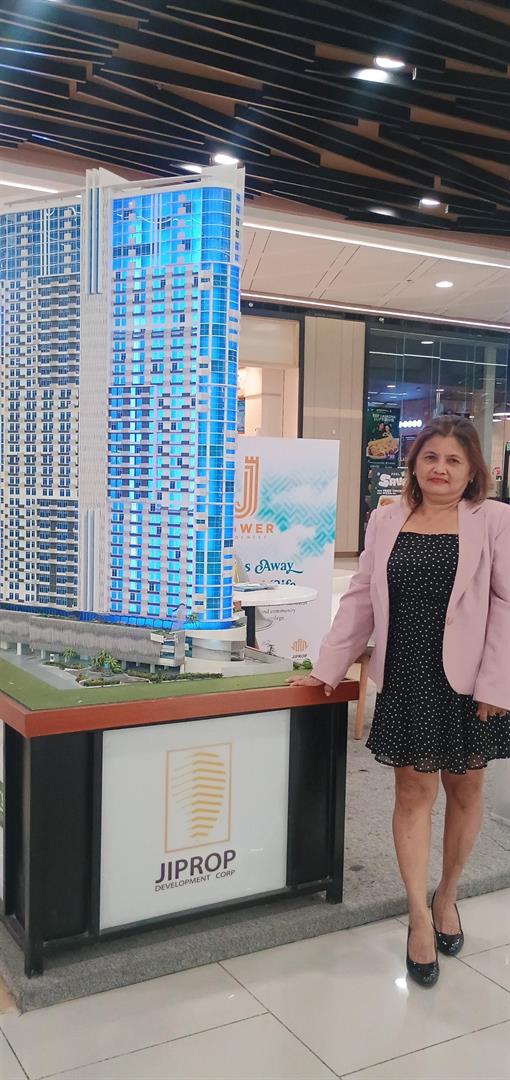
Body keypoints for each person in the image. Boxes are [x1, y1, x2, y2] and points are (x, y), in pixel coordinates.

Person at [289, 416, 510, 988]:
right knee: (413, 793)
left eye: (454, 460)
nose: (440, 468)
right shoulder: (386, 518)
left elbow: (506, 605)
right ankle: (417, 914)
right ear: (413, 464)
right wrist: (328, 667)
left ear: (472, 470)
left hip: (471, 685)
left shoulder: (493, 520)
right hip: (408, 676)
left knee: (466, 790)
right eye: (430, 457)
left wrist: (496, 685)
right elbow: (362, 596)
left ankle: (447, 895)